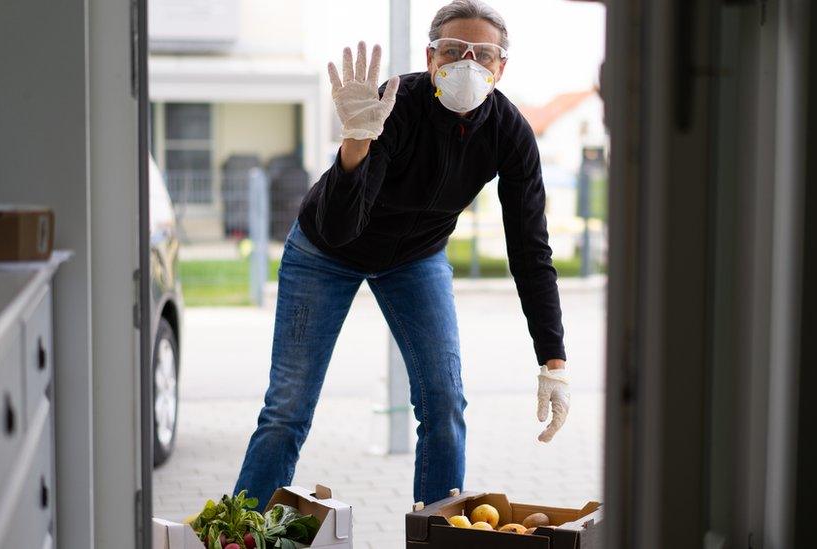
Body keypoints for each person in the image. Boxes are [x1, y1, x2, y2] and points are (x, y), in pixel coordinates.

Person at [234, 0, 571, 509]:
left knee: (444, 406)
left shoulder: (511, 133)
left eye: (483, 55)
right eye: (455, 50)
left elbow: (530, 248)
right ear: (431, 57)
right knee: (287, 410)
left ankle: (439, 534)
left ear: (502, 68)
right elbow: (342, 226)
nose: (468, 63)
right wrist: (355, 143)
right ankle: (236, 534)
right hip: (324, 250)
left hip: (416, 258)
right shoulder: (391, 105)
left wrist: (554, 359)